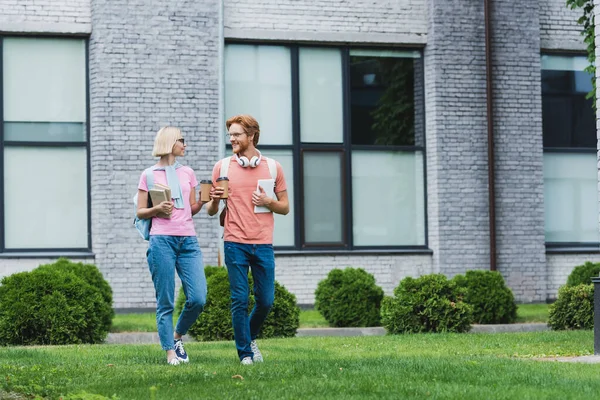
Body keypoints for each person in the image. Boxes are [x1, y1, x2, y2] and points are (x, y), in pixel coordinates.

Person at [207, 114, 289, 365]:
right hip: (234, 243)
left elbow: (285, 207)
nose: (231, 138)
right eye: (230, 134)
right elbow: (211, 211)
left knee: (266, 300)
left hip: (263, 243)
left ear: (251, 135)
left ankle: (250, 336)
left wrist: (268, 202)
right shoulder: (222, 167)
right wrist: (214, 199)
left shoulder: (273, 167)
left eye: (236, 134)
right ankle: (245, 353)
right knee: (240, 299)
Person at [136, 126, 207, 365]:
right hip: (161, 241)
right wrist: (157, 209)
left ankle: (176, 337)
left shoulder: (188, 172)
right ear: (169, 143)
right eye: (181, 141)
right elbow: (140, 211)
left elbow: (191, 208)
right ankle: (169, 352)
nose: (185, 145)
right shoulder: (148, 175)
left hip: (188, 240)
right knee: (165, 300)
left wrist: (207, 200)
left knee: (198, 297)